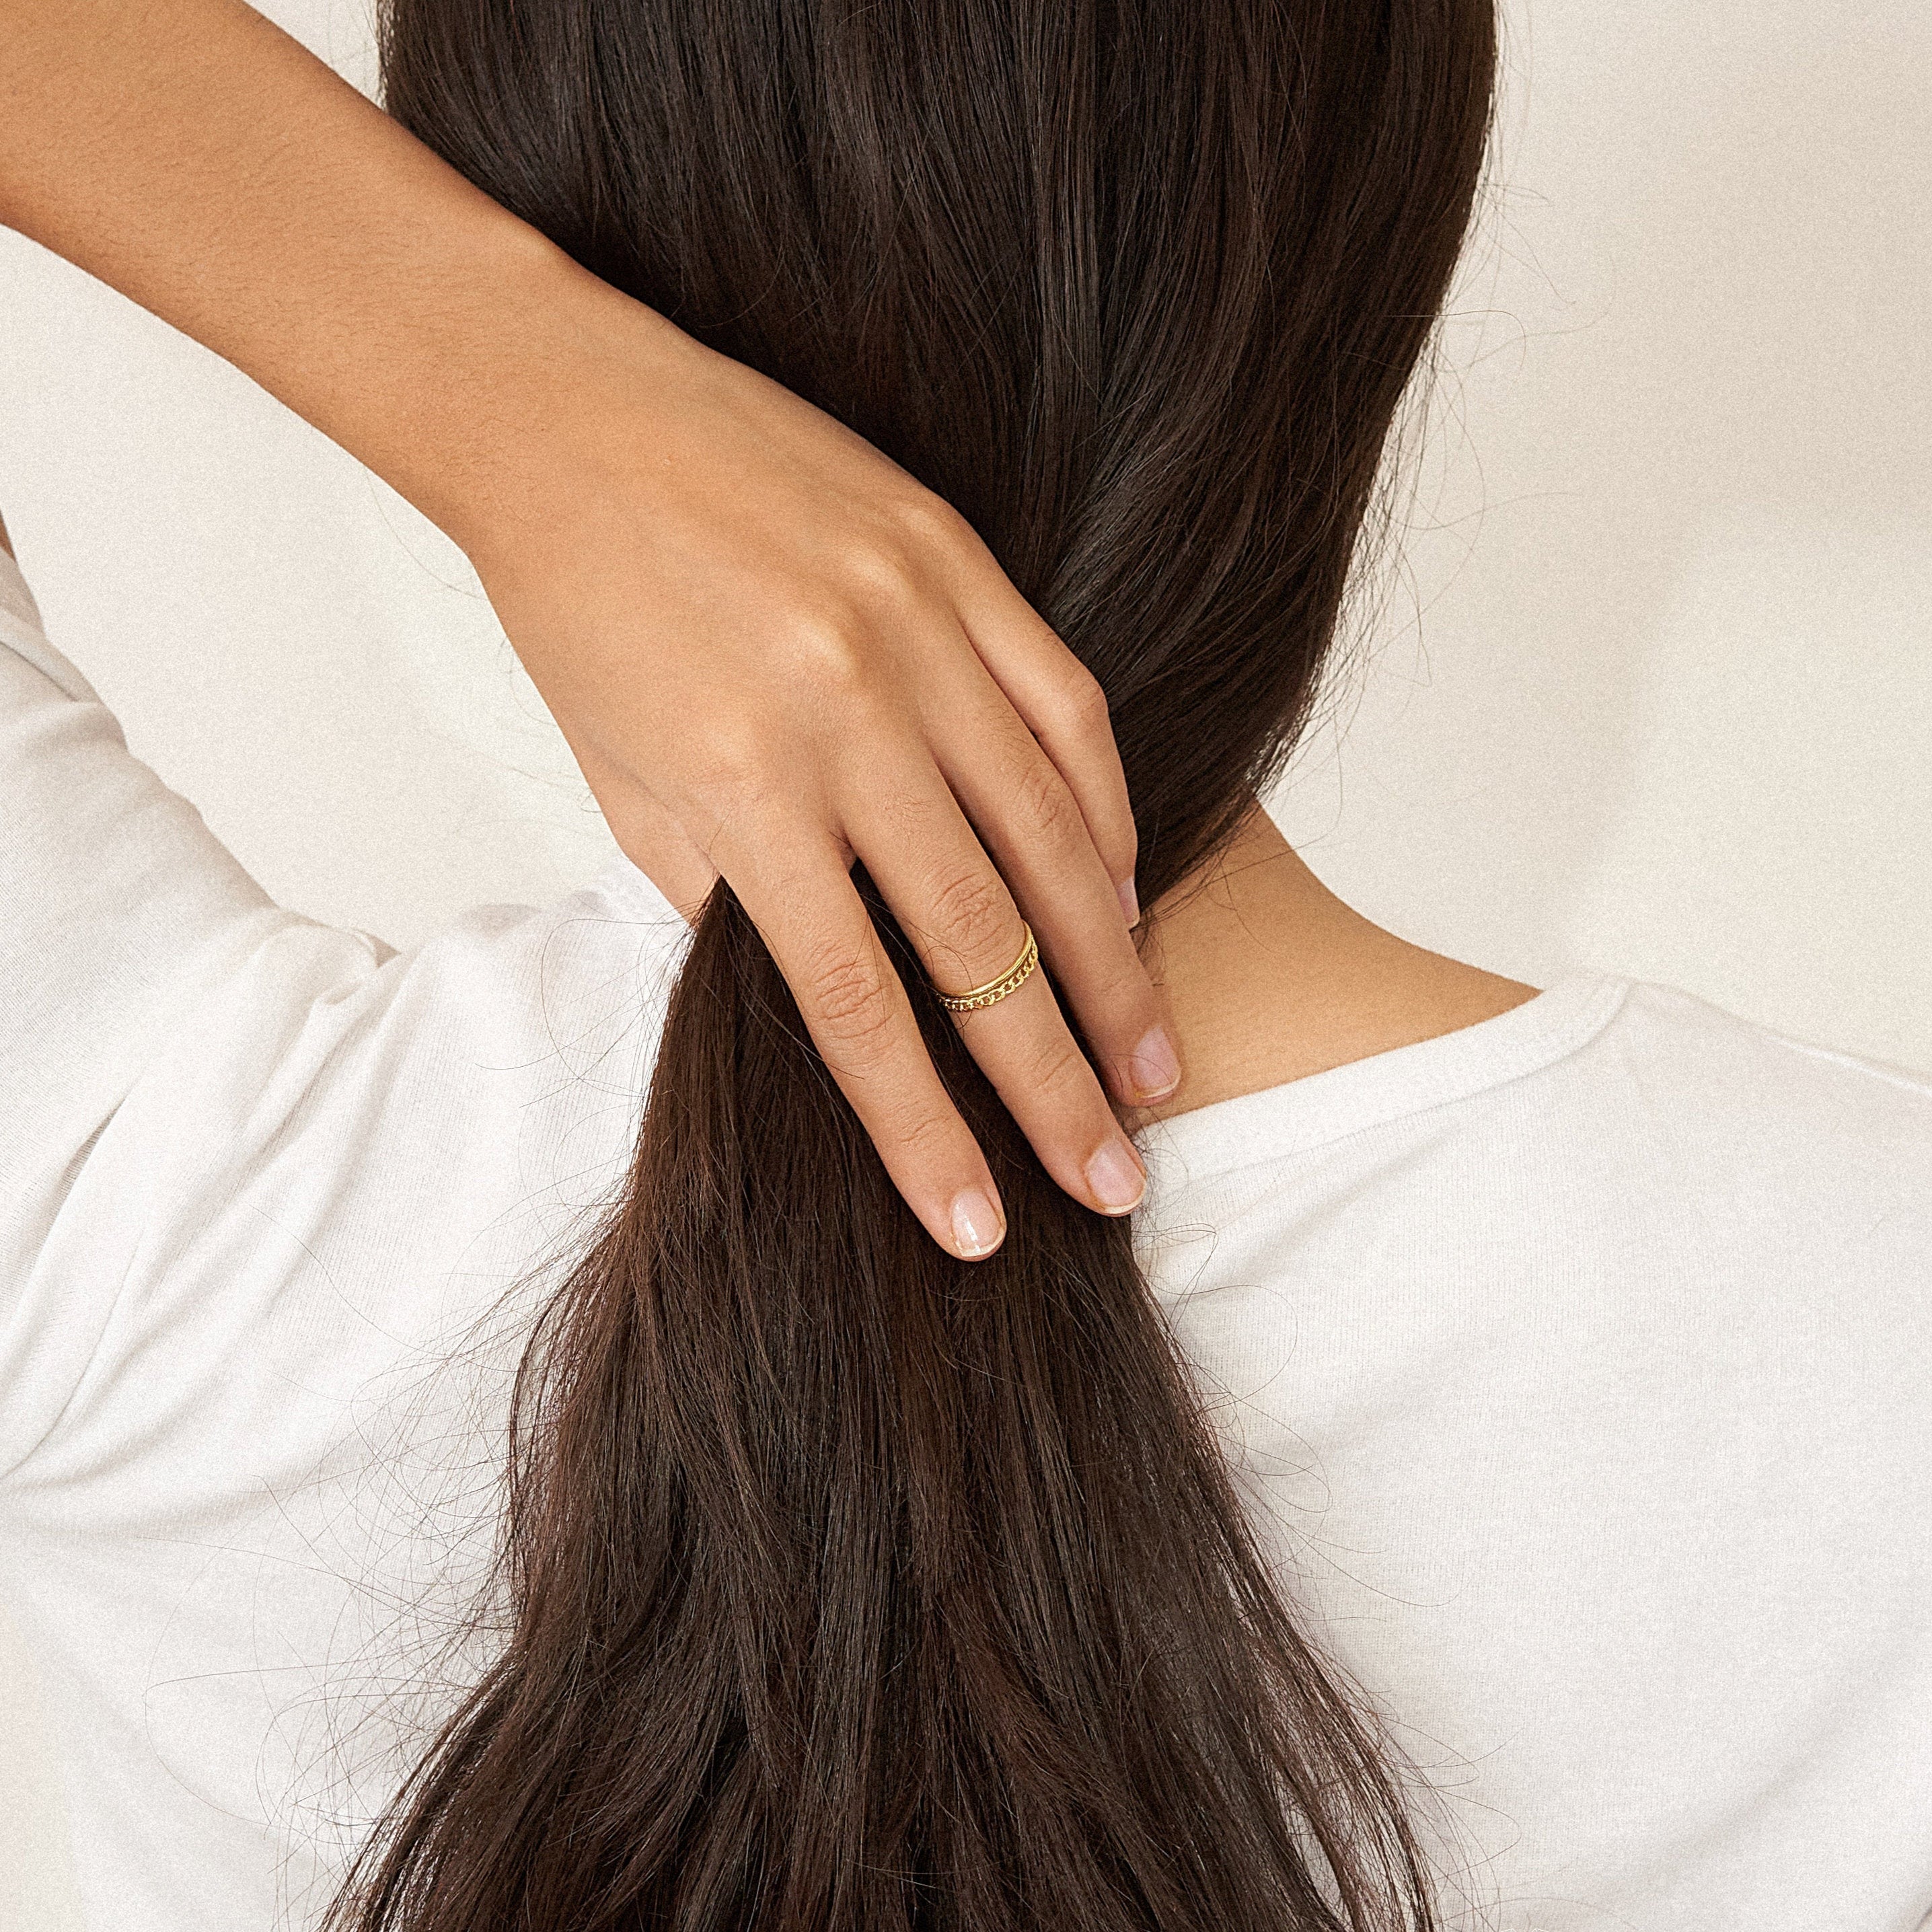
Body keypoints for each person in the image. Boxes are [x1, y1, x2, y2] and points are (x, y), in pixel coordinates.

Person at [2, 5, 1929, 1932]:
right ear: (1378, 252)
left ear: (490, 174)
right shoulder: (1874, 1320)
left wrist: (505, 387)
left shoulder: (160, 1219)